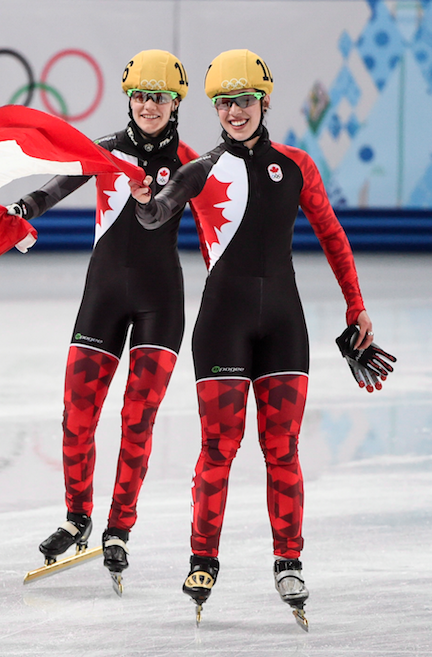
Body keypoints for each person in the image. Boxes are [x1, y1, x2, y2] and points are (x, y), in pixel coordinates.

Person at [131, 48, 393, 627]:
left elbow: (331, 233)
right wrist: (146, 199)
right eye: (224, 103)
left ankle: (288, 560)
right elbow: (155, 217)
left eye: (244, 101)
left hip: (283, 328)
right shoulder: (199, 170)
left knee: (284, 452)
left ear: (264, 101)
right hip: (221, 327)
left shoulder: (296, 165)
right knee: (218, 451)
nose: (234, 112)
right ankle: (203, 557)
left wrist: (357, 305)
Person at [9, 50, 200, 590]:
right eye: (140, 95)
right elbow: (56, 186)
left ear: (176, 102)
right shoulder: (106, 150)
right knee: (77, 412)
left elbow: (217, 226)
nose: (148, 105)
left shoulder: (190, 161)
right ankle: (78, 516)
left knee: (137, 420)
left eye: (159, 96)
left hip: (162, 301)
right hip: (104, 294)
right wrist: (21, 211)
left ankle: (119, 526)